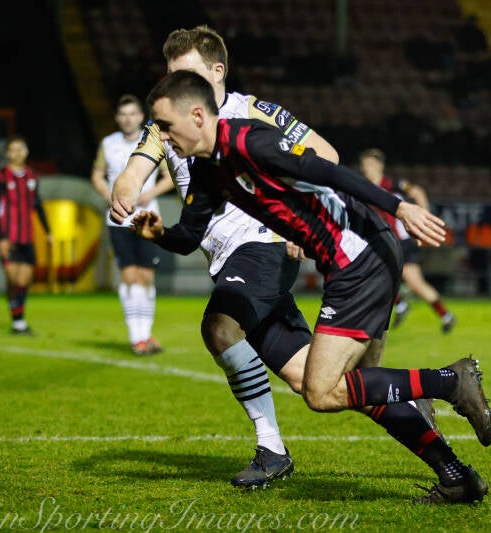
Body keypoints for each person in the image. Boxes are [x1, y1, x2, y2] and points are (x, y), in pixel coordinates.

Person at [121, 70, 491, 504]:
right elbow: (189, 236)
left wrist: (400, 208)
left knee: (321, 390)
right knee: (354, 384)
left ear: (198, 115)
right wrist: (158, 234)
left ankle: (449, 381)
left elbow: (327, 170)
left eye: (165, 126)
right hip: (347, 262)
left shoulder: (249, 141)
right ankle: (456, 475)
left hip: (361, 253)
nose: (162, 137)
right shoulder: (207, 172)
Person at [111, 25, 339, 488]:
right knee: (309, 378)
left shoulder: (256, 113)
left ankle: (271, 446)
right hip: (225, 255)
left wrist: (303, 216)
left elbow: (325, 154)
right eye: (171, 76)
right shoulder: (164, 125)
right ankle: (417, 389)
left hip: (264, 243)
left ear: (217, 72)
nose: (176, 87)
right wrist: (126, 193)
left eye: (187, 75)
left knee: (219, 325)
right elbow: (131, 173)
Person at [91, 94, 175, 355]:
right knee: (129, 277)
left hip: (147, 218)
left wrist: (151, 194)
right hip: (118, 221)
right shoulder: (108, 144)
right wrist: (110, 196)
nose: (127, 119)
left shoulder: (152, 140)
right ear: (117, 118)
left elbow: (170, 177)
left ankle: (146, 334)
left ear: (141, 117)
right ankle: (136, 337)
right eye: (123, 114)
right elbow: (97, 175)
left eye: (132, 114)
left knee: (146, 278)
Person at [359, 149, 457, 333]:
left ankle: (406, 305)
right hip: (385, 241)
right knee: (379, 274)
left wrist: (425, 213)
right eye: (365, 165)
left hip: (401, 242)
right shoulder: (364, 188)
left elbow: (417, 191)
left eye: (371, 164)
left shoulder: (391, 184)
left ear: (380, 166)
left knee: (406, 280)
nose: (367, 168)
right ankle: (440, 314)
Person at [0, 135, 53, 335]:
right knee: (13, 280)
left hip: (28, 238)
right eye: (13, 150)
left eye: (21, 149)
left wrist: (48, 231)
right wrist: (0, 238)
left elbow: (38, 204)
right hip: (9, 237)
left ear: (26, 152)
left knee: (24, 281)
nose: (17, 153)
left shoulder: (32, 176)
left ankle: (18, 321)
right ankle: (17, 320)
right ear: (7, 154)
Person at [465, 220, 491, 295]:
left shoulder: (488, 229)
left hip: (485, 253)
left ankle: (485, 290)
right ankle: (471, 291)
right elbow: (469, 240)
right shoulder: (472, 228)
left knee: (485, 272)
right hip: (474, 252)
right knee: (473, 272)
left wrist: (483, 245)